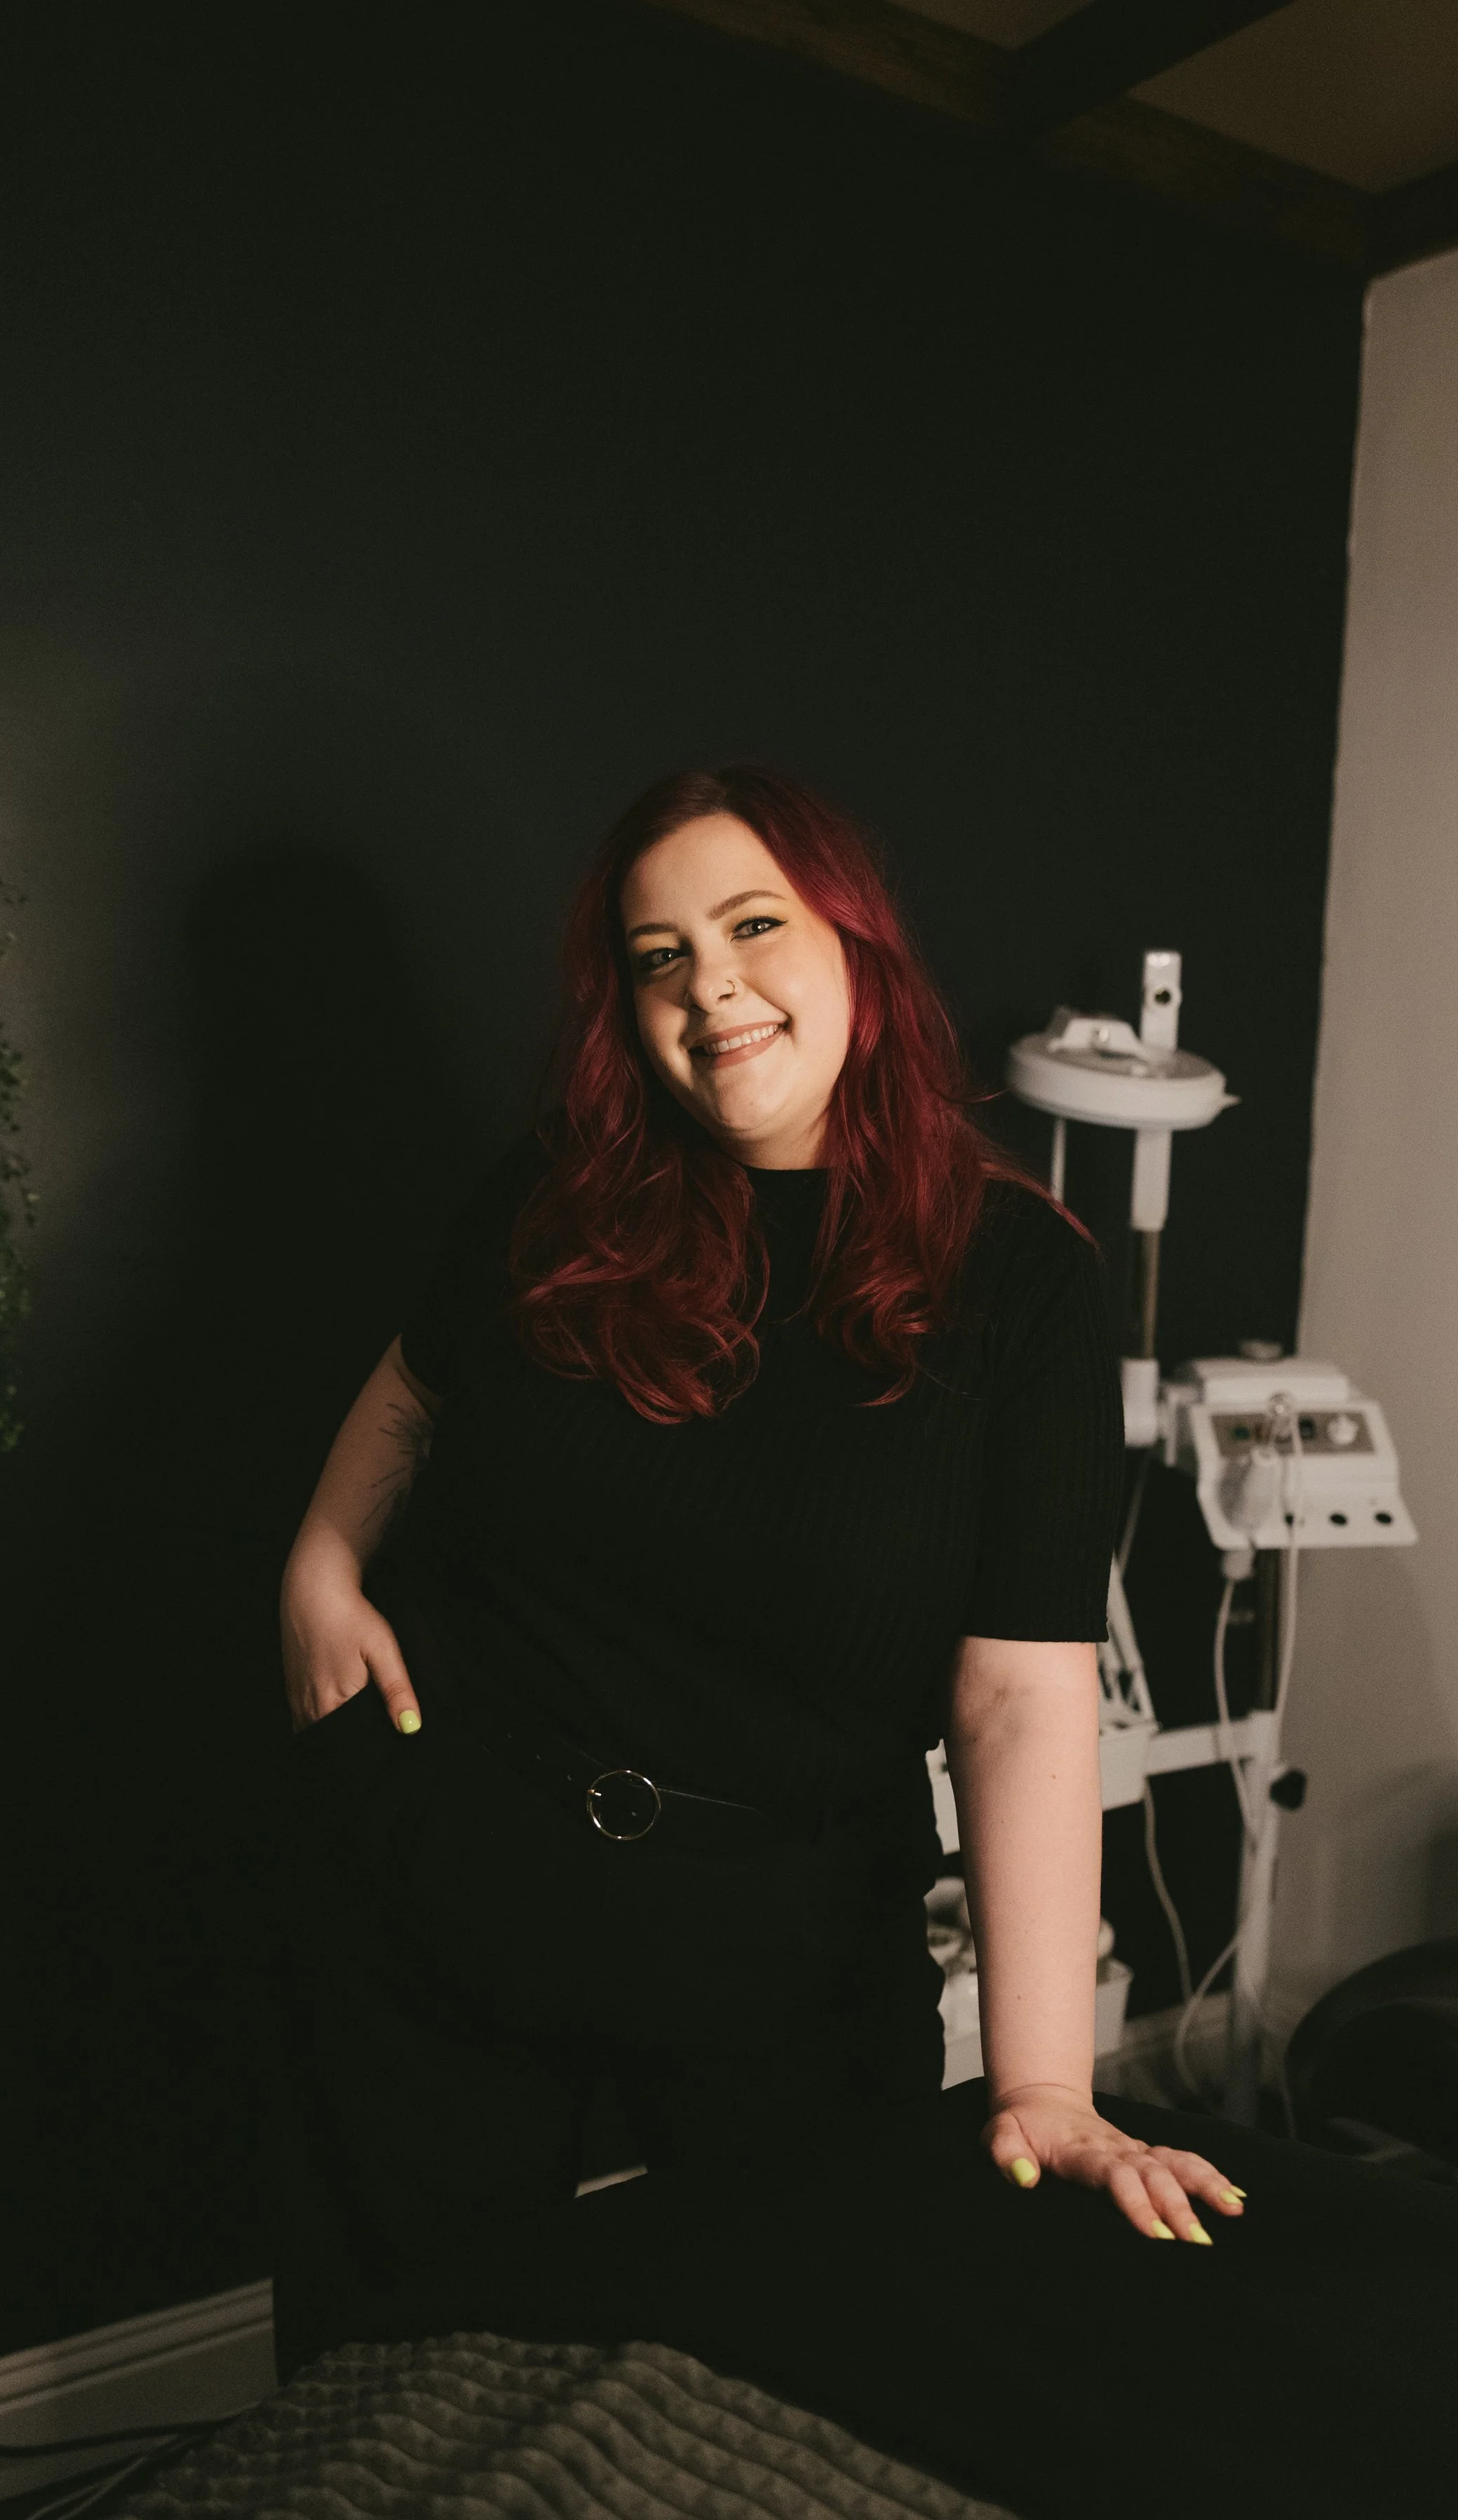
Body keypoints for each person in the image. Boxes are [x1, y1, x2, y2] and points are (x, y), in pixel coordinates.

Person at [267, 763, 1246, 2375]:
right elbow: (416, 1387)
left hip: (781, 1936)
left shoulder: (1019, 1286)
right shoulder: (557, 1195)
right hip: (446, 1867)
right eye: (659, 957)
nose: (708, 986)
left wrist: (1043, 2088)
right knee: (386, 2384)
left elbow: (1018, 1701)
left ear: (852, 945)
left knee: (802, 2386)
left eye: (749, 927)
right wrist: (319, 1561)